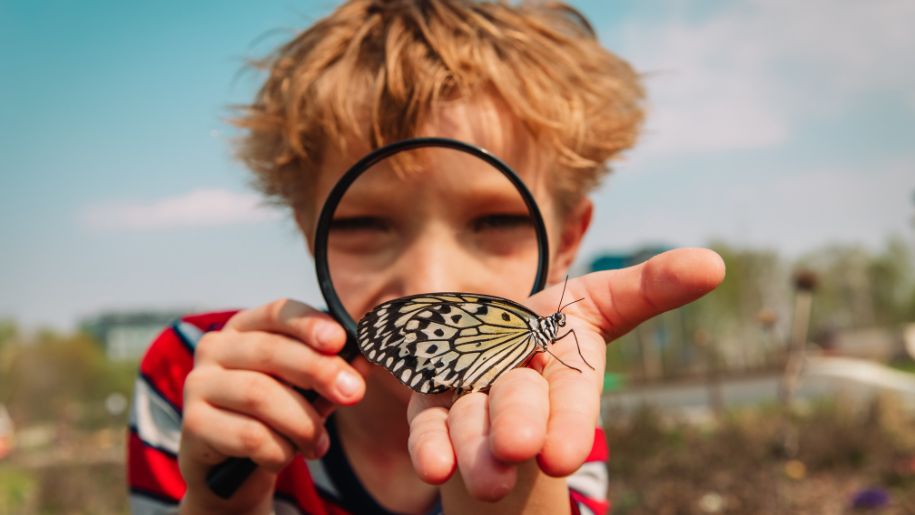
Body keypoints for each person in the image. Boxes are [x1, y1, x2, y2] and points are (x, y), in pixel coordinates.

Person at [127, 1, 725, 514]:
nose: (429, 280)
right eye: (364, 223)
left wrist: (520, 496)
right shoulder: (198, 374)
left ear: (567, 239)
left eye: (494, 221)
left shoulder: (552, 410)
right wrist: (216, 506)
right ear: (310, 233)